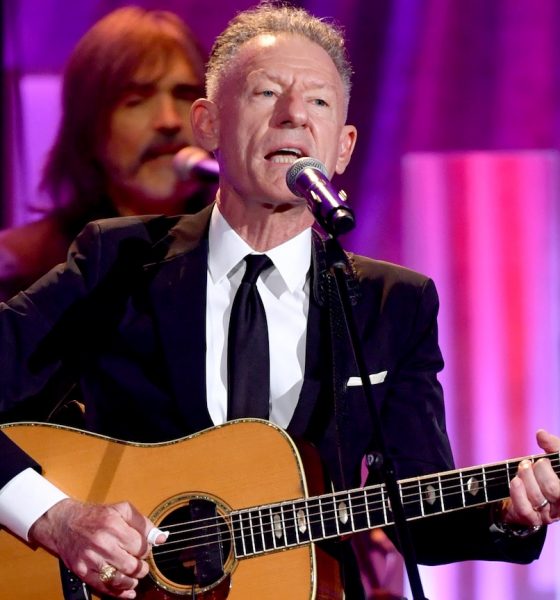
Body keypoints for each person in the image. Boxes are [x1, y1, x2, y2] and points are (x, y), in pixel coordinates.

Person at [0, 3, 559, 599]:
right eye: (266, 93)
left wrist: (510, 511)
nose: (294, 116)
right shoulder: (118, 262)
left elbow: (417, 514)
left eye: (318, 101)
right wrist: (52, 518)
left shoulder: (392, 304)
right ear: (208, 124)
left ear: (342, 148)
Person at [0, 6, 213, 302]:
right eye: (136, 100)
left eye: (184, 95)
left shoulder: (241, 247)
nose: (169, 120)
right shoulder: (25, 266)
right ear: (89, 128)